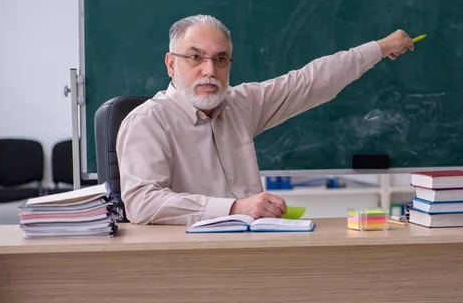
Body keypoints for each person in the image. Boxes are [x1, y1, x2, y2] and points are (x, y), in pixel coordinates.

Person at [116, 15, 414, 225]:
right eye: (195, 58)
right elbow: (142, 203)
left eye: (220, 59)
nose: (209, 70)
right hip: (185, 264)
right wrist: (234, 208)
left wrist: (381, 47)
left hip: (252, 251)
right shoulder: (147, 122)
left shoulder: (238, 105)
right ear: (171, 64)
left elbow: (308, 83)